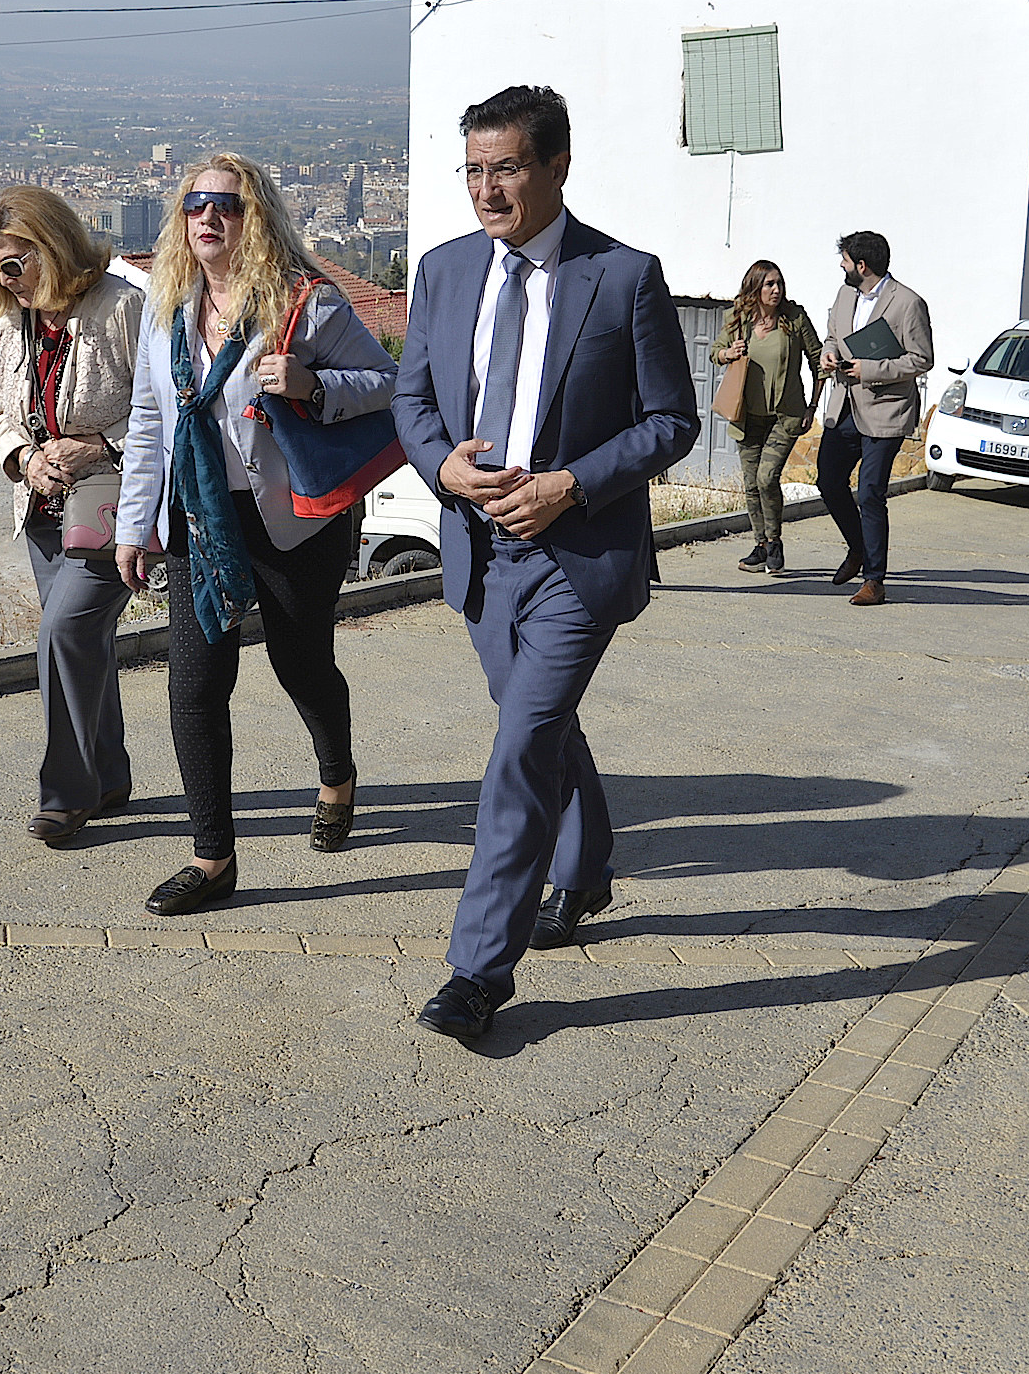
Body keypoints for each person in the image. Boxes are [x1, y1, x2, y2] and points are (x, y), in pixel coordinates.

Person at [391, 85, 699, 1041]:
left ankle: (479, 969)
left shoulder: (623, 276)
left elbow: (672, 422)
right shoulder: (442, 272)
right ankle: (588, 867)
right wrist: (440, 464)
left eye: (507, 169)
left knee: (522, 743)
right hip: (481, 555)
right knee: (545, 728)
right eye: (475, 171)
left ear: (557, 166)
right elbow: (413, 402)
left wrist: (572, 483)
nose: (488, 191)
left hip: (579, 556)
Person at [114, 154, 397, 916]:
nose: (208, 218)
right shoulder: (167, 308)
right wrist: (133, 525)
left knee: (301, 663)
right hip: (200, 520)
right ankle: (213, 859)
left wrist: (313, 384)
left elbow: (388, 386)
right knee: (195, 686)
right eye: (195, 205)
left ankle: (337, 774)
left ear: (257, 217)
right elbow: (149, 423)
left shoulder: (309, 303)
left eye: (226, 206)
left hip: (292, 520)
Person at [0, 187, 144, 846]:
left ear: (57, 246)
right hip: (42, 508)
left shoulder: (122, 309)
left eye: (15, 263)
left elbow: (165, 408)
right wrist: (20, 455)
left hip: (112, 506)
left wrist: (98, 446)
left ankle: (66, 794)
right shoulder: (6, 318)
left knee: (61, 634)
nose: (4, 280)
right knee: (81, 643)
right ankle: (111, 773)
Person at [816, 232, 935, 608]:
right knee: (829, 481)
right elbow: (832, 336)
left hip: (886, 411)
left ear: (862, 265)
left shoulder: (908, 303)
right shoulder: (844, 294)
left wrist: (871, 369)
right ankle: (858, 548)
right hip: (845, 405)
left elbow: (921, 359)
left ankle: (874, 580)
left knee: (870, 492)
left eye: (846, 260)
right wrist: (828, 354)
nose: (841, 265)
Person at [713, 260, 822, 576]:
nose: (776, 290)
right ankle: (760, 546)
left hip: (784, 417)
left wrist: (812, 407)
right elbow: (715, 352)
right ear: (755, 288)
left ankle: (774, 542)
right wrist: (727, 354)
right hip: (747, 416)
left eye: (779, 284)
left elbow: (818, 364)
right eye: (769, 284)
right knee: (750, 485)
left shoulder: (794, 319)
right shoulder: (738, 319)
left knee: (766, 477)